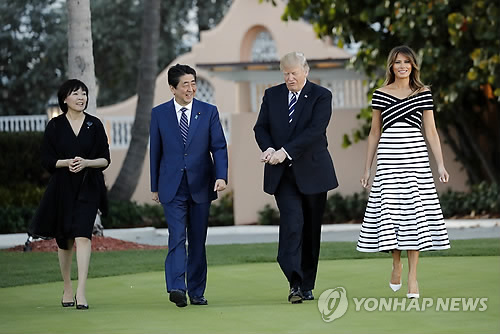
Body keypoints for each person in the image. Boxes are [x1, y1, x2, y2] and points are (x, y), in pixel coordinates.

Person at [356, 45, 451, 299]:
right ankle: (396, 264)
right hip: (388, 160)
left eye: (407, 62)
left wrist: (440, 164)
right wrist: (367, 168)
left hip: (415, 159)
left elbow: (431, 131)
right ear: (391, 66)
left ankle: (412, 277)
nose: (402, 66)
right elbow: (374, 133)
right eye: (398, 62)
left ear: (413, 66)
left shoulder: (423, 93)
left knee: (415, 216)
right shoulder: (380, 94)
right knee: (392, 213)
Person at [254, 52, 338, 304]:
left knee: (311, 231)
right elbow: (261, 127)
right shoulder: (272, 95)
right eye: (285, 74)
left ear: (306, 71)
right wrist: (269, 148)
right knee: (292, 224)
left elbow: (315, 131)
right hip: (283, 176)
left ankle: (307, 284)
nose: (289, 78)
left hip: (313, 172)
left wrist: (285, 151)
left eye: (294, 73)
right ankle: (295, 283)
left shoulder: (322, 96)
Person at [150, 64, 228, 308]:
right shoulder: (159, 114)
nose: (191, 88)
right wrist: (155, 186)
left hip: (202, 184)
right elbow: (156, 153)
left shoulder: (208, 112)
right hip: (172, 186)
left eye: (193, 83)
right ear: (172, 88)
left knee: (197, 240)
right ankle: (176, 287)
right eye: (185, 84)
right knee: (176, 237)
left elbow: (219, 147)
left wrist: (221, 176)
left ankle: (196, 291)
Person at [29, 79, 110, 309]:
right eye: (76, 93)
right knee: (64, 241)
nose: (81, 97)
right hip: (62, 188)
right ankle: (67, 287)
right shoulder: (55, 126)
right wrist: (66, 162)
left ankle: (81, 292)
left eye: (84, 93)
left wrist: (86, 163)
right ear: (65, 98)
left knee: (84, 235)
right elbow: (46, 159)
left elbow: (105, 159)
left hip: (88, 186)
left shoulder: (95, 124)